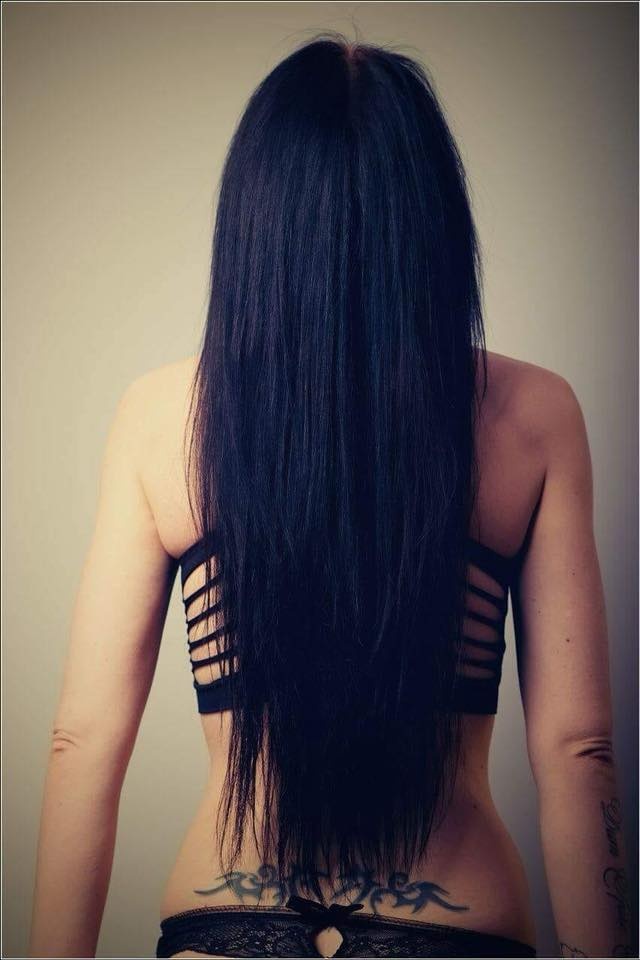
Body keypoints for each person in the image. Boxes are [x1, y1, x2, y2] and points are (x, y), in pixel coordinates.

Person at [28, 31, 631, 960]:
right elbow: (578, 748)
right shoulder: (533, 414)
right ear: (432, 225)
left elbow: (83, 741)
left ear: (255, 225)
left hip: (224, 920)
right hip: (453, 926)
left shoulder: (158, 417)